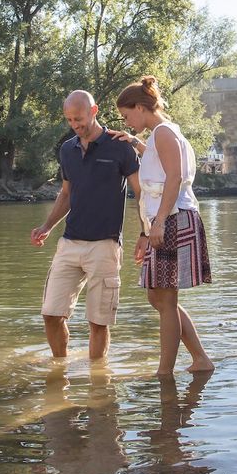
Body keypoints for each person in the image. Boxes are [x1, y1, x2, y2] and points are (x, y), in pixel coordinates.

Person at [113, 77, 213, 375]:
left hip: (173, 220)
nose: (127, 121)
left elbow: (174, 177)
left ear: (141, 108)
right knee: (157, 296)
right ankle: (200, 359)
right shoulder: (161, 134)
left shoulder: (165, 133)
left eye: (127, 115)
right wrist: (135, 143)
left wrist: (157, 224)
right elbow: (159, 165)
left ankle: (165, 372)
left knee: (165, 298)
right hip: (169, 219)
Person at [31, 91, 141, 361]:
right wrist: (46, 225)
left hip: (105, 245)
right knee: (51, 314)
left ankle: (98, 381)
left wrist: (146, 233)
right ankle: (60, 370)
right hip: (69, 244)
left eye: (78, 118)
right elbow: (66, 193)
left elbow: (141, 193)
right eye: (69, 120)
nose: (74, 124)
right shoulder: (67, 150)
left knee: (98, 322)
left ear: (94, 111)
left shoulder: (120, 147)